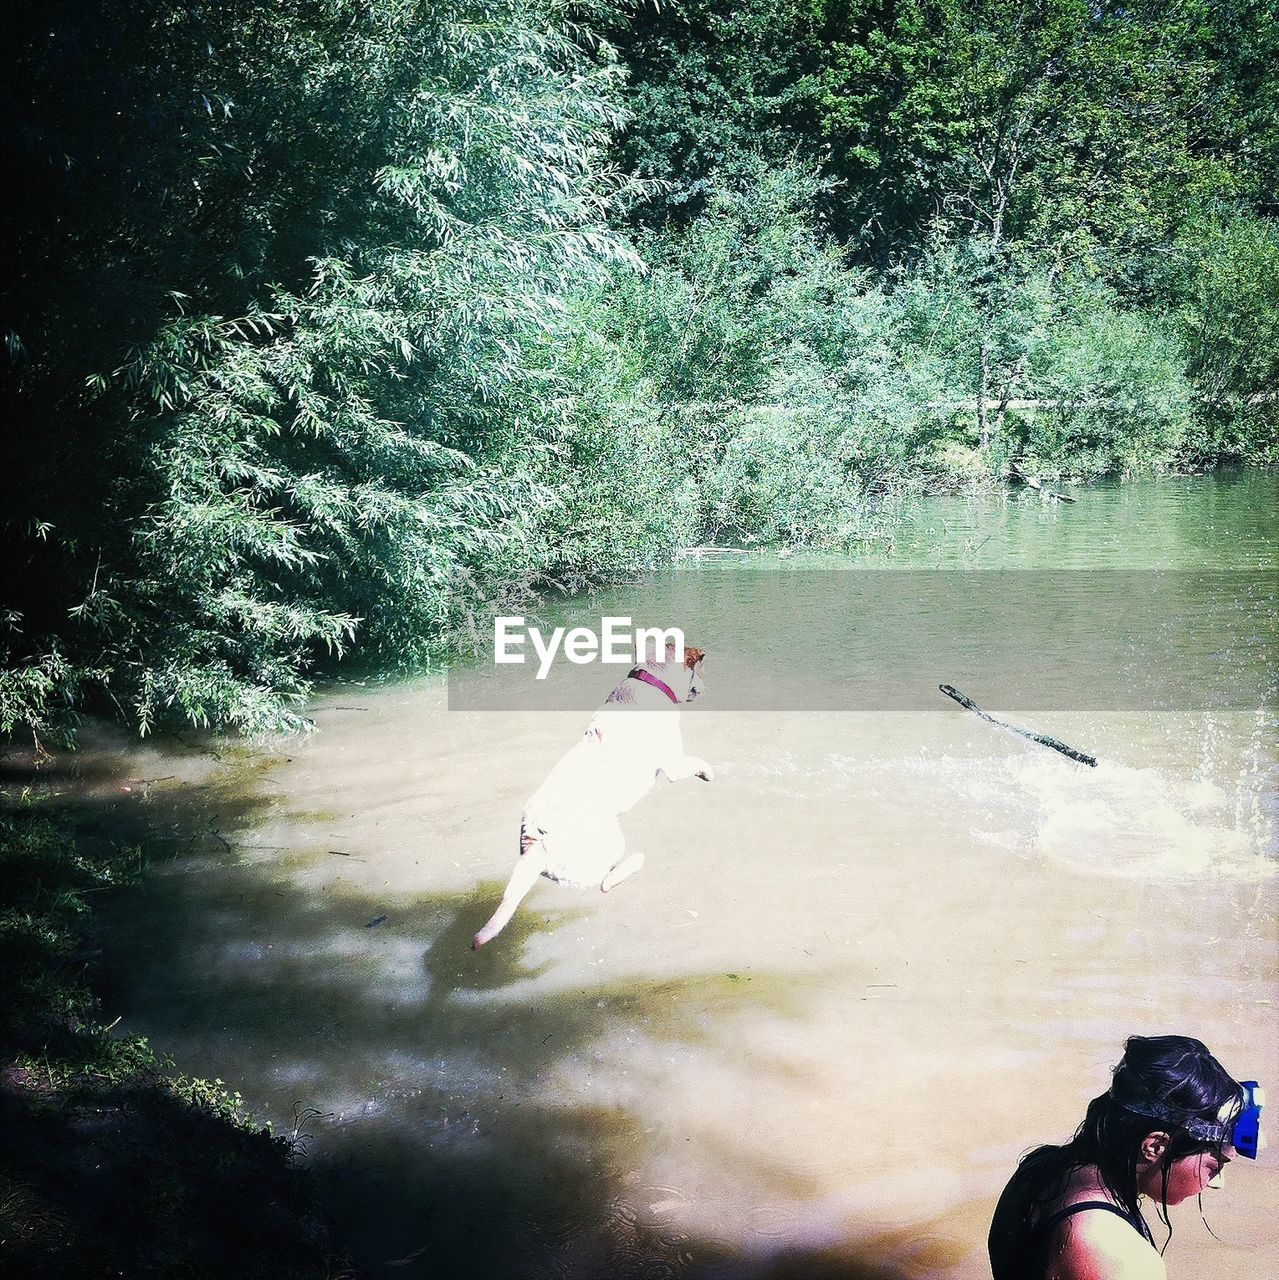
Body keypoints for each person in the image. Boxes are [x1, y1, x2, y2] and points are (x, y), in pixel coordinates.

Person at [988, 1034, 1263, 1279]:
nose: (1217, 1182)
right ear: (1155, 1146)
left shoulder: (1039, 1166)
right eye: (1215, 1165)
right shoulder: (1120, 1258)